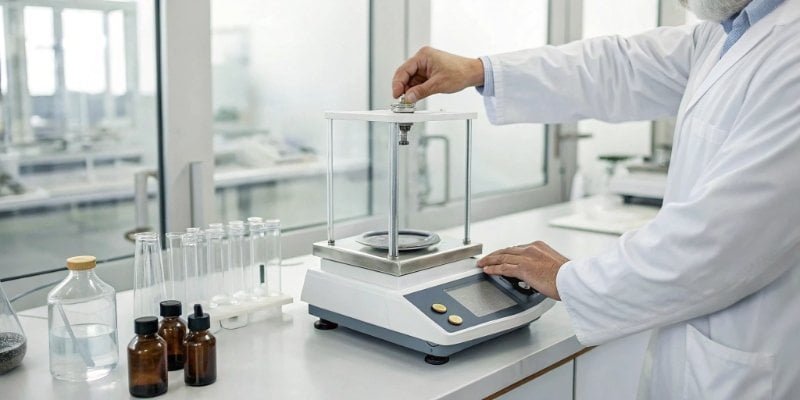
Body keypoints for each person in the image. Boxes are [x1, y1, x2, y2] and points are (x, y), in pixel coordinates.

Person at [392, 0, 800, 398]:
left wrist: (573, 280)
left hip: (753, 355)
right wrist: (478, 70)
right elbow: (620, 66)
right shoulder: (730, 29)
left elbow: (725, 242)